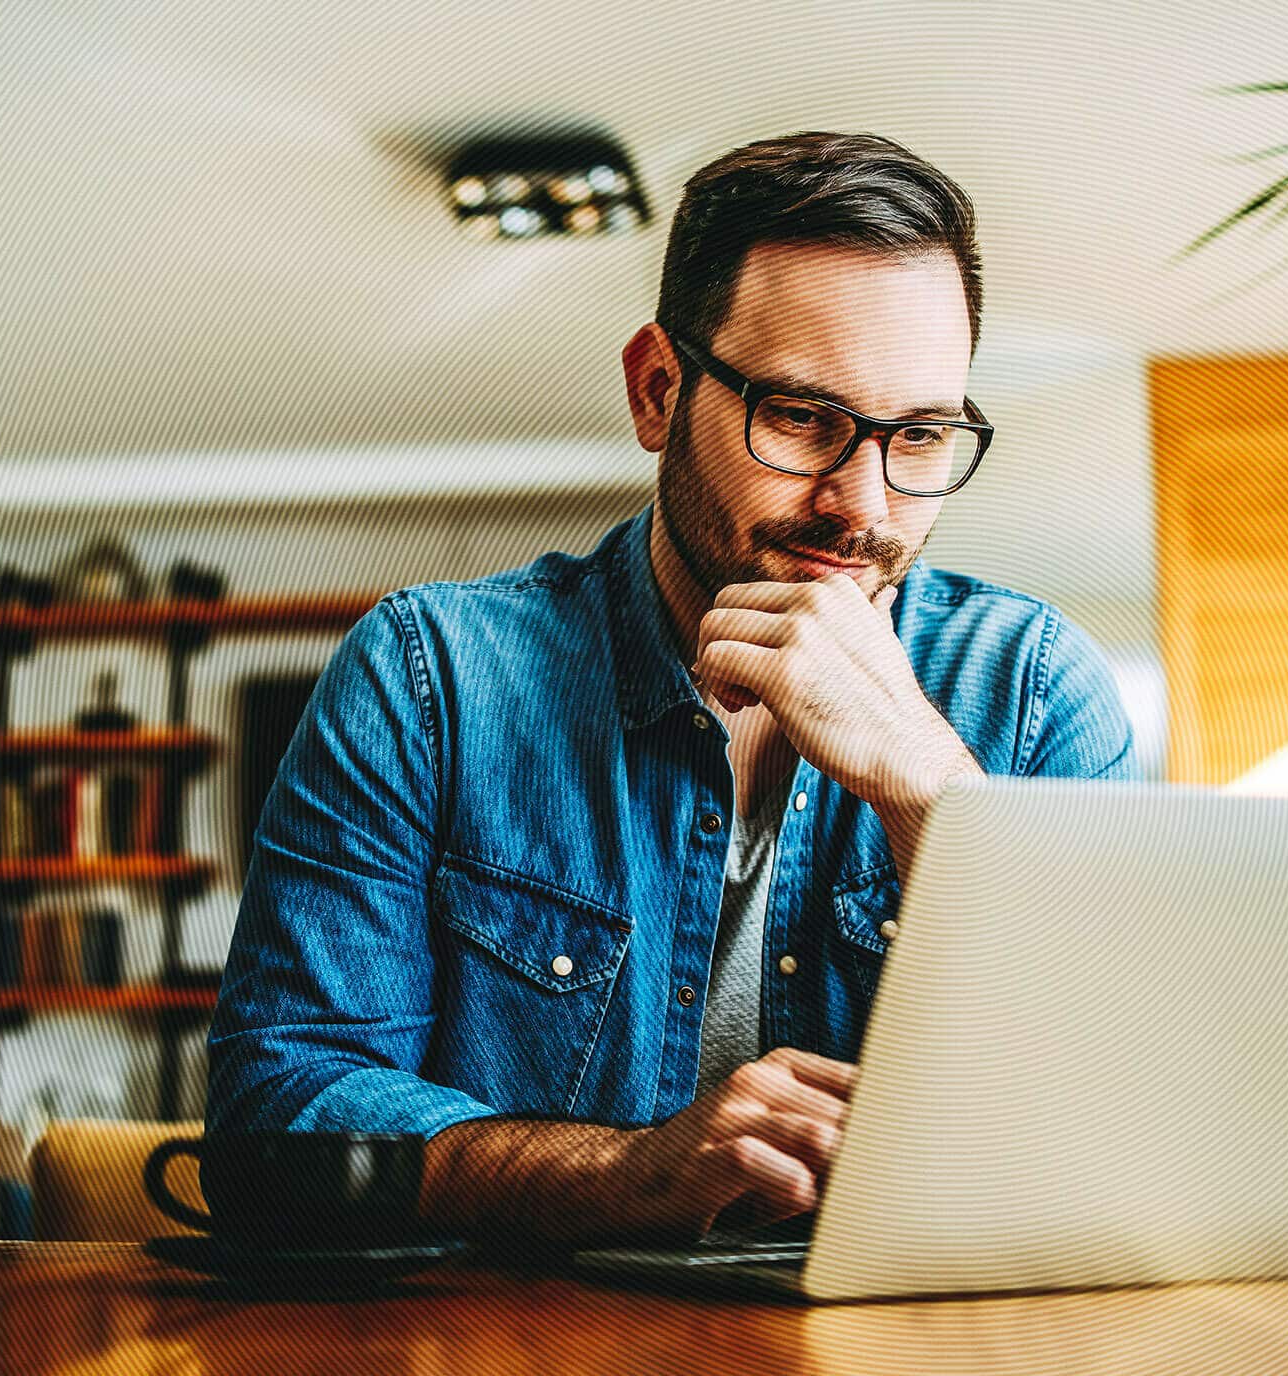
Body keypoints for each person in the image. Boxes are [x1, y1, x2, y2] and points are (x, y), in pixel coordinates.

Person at [206, 130, 1136, 1247]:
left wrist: (932, 793)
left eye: (921, 435)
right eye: (801, 418)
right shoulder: (429, 678)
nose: (864, 503)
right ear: (657, 391)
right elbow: (284, 1108)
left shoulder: (1032, 689)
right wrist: (624, 1174)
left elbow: (1139, 1111)